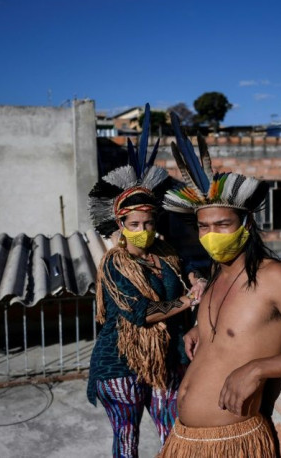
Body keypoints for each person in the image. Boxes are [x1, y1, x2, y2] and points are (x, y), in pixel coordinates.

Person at [158, 117, 281, 457]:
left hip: (232, 442)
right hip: (185, 440)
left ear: (246, 223)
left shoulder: (274, 278)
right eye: (203, 227)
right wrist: (202, 329)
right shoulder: (216, 273)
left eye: (222, 224)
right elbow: (235, 333)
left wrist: (257, 368)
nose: (211, 235)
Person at [86, 104, 206, 458]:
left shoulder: (166, 252)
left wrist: (196, 278)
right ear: (120, 226)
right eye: (134, 225)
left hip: (165, 360)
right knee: (127, 439)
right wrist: (189, 301)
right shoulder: (115, 265)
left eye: (149, 223)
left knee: (173, 434)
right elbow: (141, 314)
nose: (143, 231)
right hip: (119, 367)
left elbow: (186, 267)